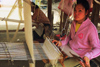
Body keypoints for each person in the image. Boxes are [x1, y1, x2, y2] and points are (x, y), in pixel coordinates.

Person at [51, 0, 100, 67]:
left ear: (86, 12)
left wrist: (87, 56)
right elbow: (69, 37)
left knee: (57, 65)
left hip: (79, 57)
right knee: (51, 57)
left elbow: (98, 48)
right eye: (75, 10)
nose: (76, 13)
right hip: (69, 50)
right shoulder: (74, 23)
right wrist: (61, 43)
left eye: (80, 11)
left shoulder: (91, 28)